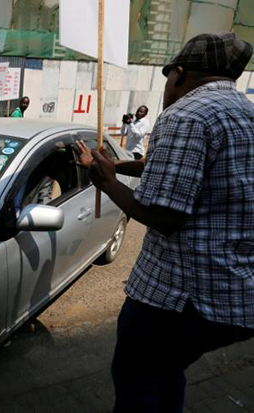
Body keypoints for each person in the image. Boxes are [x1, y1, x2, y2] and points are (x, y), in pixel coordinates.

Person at [76, 32, 254, 413]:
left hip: (177, 297)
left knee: (138, 384)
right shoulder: (245, 113)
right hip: (234, 294)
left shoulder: (185, 115)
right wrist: (116, 165)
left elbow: (163, 216)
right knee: (166, 374)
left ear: (178, 73)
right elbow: (186, 171)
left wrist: (106, 182)